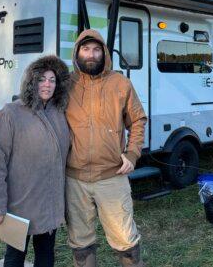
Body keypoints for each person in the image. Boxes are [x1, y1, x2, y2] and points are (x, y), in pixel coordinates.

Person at [65, 29, 147, 267]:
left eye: (96, 49)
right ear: (77, 52)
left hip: (112, 176)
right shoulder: (66, 84)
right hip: (74, 179)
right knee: (80, 241)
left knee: (125, 238)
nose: (91, 54)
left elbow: (138, 120)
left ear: (104, 53)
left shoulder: (120, 84)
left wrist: (132, 153)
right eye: (86, 49)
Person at [0, 55, 71, 267]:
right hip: (20, 202)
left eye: (52, 80)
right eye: (42, 79)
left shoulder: (59, 113)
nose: (47, 84)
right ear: (32, 82)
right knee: (15, 256)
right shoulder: (11, 113)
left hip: (49, 201)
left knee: (46, 254)